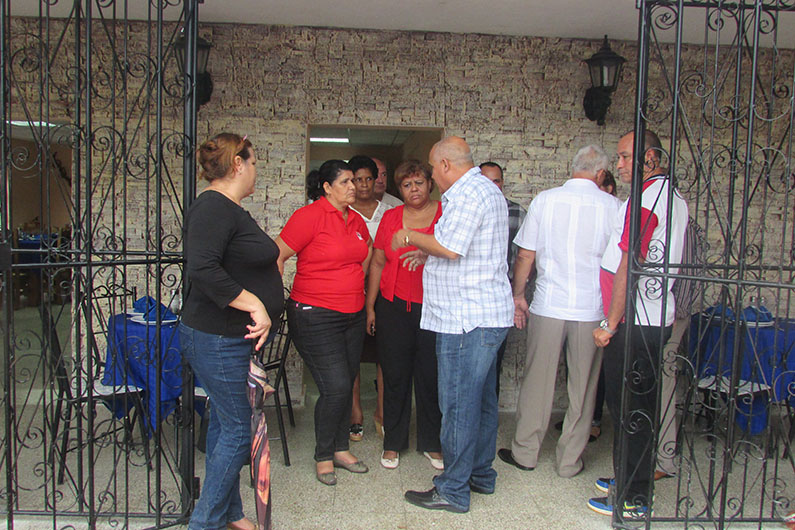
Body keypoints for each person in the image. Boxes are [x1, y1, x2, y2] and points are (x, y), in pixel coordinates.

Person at [397, 137, 513, 514]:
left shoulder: (467, 194)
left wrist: (411, 236)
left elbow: (451, 248)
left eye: (432, 167)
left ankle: (452, 489)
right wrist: (425, 251)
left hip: (466, 320)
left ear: (446, 164)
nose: (431, 174)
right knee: (480, 401)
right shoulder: (485, 189)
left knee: (459, 403)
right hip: (483, 314)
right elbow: (458, 246)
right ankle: (479, 474)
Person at [497, 145, 620, 479]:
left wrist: (519, 295)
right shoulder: (614, 207)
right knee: (584, 387)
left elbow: (525, 255)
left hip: (549, 304)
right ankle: (569, 462)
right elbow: (620, 264)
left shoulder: (546, 200)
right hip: (592, 309)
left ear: (573, 168)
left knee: (538, 379)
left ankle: (525, 453)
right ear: (600, 174)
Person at [180, 133, 283, 530]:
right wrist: (254, 302)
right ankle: (204, 522)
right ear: (238, 164)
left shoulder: (229, 208)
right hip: (218, 338)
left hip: (229, 339)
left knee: (226, 424)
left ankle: (232, 512)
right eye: (254, 162)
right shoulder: (213, 208)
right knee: (239, 431)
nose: (256, 170)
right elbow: (202, 268)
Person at [588, 130, 688, 519]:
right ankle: (630, 476)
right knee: (637, 408)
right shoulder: (669, 195)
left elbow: (631, 261)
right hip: (650, 315)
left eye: (627, 157)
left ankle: (633, 499)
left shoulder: (648, 198)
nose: (621, 165)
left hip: (635, 320)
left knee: (630, 410)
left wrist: (610, 323)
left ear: (650, 158)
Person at [275, 159, 372, 486]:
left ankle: (341, 449)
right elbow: (277, 254)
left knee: (347, 380)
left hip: (352, 314)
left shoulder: (356, 220)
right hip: (314, 315)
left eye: (354, 181)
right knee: (336, 386)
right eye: (345, 182)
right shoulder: (308, 217)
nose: (353, 187)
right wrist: (272, 300)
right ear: (327, 187)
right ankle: (322, 455)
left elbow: (366, 254)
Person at [366, 159, 444, 471]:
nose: (414, 189)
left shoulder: (444, 214)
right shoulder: (391, 217)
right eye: (407, 185)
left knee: (431, 376)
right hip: (393, 306)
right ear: (400, 189)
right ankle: (393, 443)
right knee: (395, 376)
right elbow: (377, 262)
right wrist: (370, 306)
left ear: (430, 184)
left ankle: (432, 443)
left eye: (419, 183)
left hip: (435, 308)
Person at [347, 155, 388, 442]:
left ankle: (382, 413)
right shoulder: (341, 211)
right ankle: (355, 413)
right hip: (349, 291)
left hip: (386, 292)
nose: (362, 185)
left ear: (376, 181)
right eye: (356, 179)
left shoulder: (390, 212)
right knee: (351, 355)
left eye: (368, 179)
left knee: (385, 354)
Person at [479, 161, 527, 397]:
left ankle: (488, 422)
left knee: (493, 361)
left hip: (502, 301)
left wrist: (518, 297)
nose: (492, 186)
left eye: (496, 181)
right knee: (473, 367)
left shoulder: (517, 213)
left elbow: (524, 260)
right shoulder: (466, 211)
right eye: (487, 181)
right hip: (472, 300)